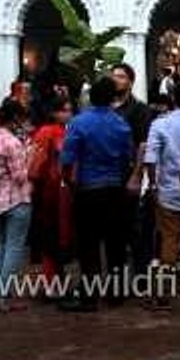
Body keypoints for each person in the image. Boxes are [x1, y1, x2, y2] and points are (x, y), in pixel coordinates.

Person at [59, 76, 134, 312]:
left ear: (91, 97)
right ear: (114, 97)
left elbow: (67, 159)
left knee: (88, 244)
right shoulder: (121, 124)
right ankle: (116, 293)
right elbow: (127, 159)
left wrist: (68, 182)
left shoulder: (79, 123)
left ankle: (89, 297)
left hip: (88, 188)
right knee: (115, 243)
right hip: (114, 189)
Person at [143, 81, 180, 311]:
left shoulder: (160, 124)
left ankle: (163, 293)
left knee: (169, 240)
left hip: (169, 190)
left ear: (173, 99)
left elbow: (151, 158)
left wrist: (154, 184)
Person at [0, 99, 33, 312]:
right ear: (15, 119)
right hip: (15, 199)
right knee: (14, 248)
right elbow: (21, 177)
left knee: (2, 246)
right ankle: (3, 297)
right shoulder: (12, 143)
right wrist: (30, 157)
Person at [110, 63, 153, 275]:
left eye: (121, 76)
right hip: (108, 176)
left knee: (135, 228)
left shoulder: (139, 109)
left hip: (129, 173)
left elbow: (143, 145)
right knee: (113, 230)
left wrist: (136, 175)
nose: (116, 80)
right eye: (114, 76)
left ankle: (141, 277)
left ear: (130, 81)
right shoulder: (105, 108)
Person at [27, 97, 74, 287]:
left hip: (62, 191)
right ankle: (50, 280)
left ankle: (56, 277)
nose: (68, 114)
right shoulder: (47, 132)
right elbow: (37, 163)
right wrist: (33, 183)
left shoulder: (65, 131)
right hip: (49, 192)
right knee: (50, 235)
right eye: (64, 110)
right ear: (55, 112)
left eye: (70, 110)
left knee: (58, 235)